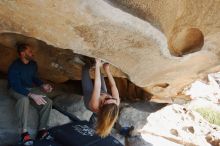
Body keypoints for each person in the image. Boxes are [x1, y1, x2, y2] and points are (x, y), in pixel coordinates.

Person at [8, 43, 53, 146]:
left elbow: (34, 78)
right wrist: (31, 95)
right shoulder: (14, 66)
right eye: (30, 51)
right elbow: (15, 85)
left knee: (48, 102)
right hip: (15, 89)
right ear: (22, 53)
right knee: (24, 100)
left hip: (30, 88)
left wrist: (43, 85)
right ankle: (24, 134)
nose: (32, 53)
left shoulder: (33, 64)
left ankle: (42, 131)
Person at [81, 58, 120, 138]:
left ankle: (88, 64)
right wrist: (107, 69)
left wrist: (98, 66)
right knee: (101, 75)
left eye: (107, 99)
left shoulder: (95, 105)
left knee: (85, 69)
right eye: (113, 98)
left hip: (89, 95)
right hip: (102, 92)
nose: (109, 96)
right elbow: (113, 85)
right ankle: (95, 65)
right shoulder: (115, 103)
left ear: (102, 105)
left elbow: (97, 86)